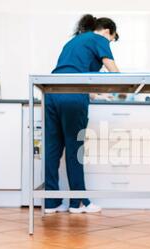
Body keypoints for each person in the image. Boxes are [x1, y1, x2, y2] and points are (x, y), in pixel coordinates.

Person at [45, 14, 119, 214]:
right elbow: (111, 66)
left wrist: (95, 95)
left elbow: (70, 72)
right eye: (111, 39)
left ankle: (51, 203)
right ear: (106, 31)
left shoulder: (74, 41)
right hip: (72, 95)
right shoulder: (98, 38)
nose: (109, 42)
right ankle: (79, 203)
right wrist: (122, 84)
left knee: (53, 148)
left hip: (51, 93)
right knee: (74, 149)